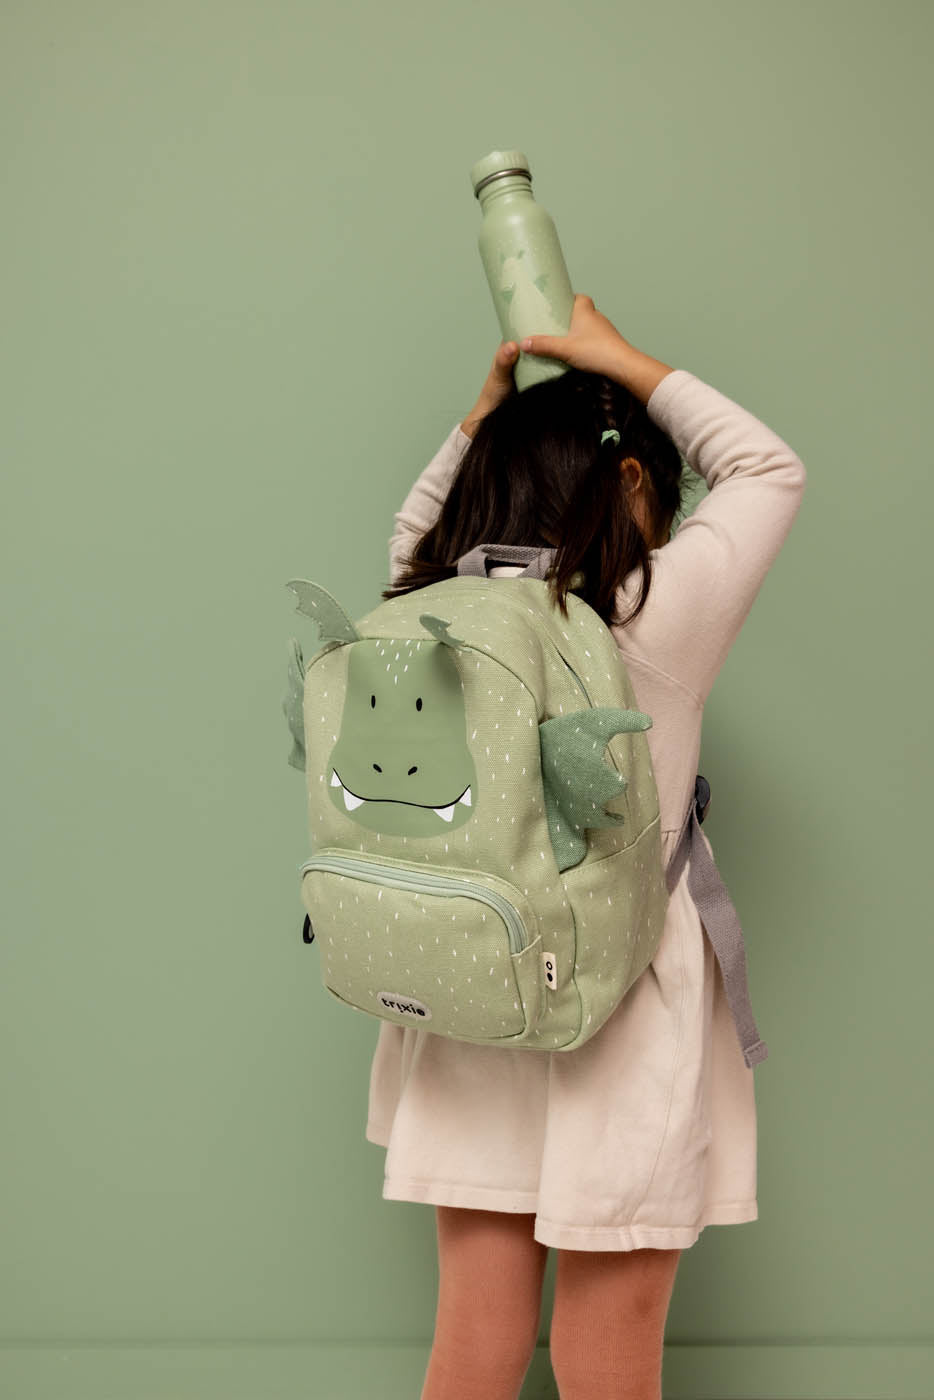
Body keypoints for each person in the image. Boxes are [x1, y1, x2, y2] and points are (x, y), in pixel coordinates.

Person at [366, 295, 808, 1400]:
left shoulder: (432, 610)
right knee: (610, 1358)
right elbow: (767, 469)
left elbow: (411, 532)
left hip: (470, 991)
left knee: (474, 1341)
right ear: (631, 479)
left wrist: (480, 418)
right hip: (619, 1003)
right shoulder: (647, 616)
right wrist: (620, 359)